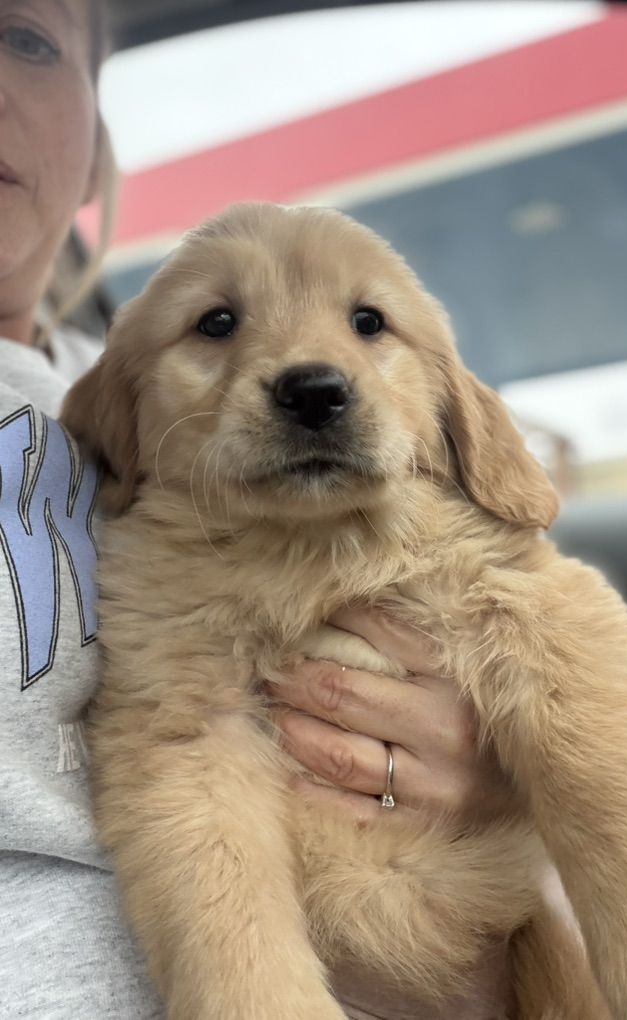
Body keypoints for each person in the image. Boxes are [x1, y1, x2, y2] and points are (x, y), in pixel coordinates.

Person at [0, 3, 512, 1016]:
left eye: (27, 39)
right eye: (220, 325)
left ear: (92, 128)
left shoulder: (135, 396)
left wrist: (484, 840)